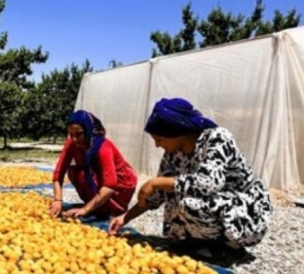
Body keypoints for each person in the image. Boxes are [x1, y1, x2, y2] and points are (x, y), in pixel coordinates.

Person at [108, 98, 272, 252]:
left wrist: (156, 182)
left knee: (188, 202)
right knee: (174, 192)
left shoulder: (217, 139)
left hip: (242, 210)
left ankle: (226, 248)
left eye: (159, 139)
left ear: (178, 132)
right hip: (216, 203)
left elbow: (209, 183)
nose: (157, 145)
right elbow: (157, 195)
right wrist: (125, 218)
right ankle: (197, 243)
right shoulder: (173, 152)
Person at [50, 110, 138, 219]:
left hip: (120, 184)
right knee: (76, 172)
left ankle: (111, 209)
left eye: (79, 134)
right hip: (101, 180)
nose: (74, 139)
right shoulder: (72, 145)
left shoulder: (103, 148)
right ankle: (96, 205)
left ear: (88, 131)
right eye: (71, 135)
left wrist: (85, 209)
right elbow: (58, 173)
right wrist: (58, 200)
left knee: (89, 175)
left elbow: (109, 185)